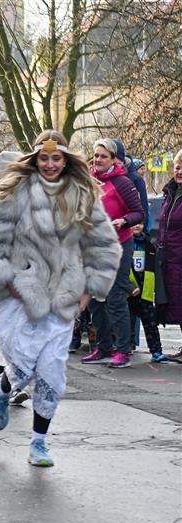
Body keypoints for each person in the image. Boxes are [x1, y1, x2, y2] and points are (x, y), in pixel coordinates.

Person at [0, 130, 121, 467]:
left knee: (52, 371)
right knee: (22, 365)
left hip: (62, 298)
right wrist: (8, 283)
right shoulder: (15, 195)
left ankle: (39, 443)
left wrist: (88, 292)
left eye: (57, 158)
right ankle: (4, 389)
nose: (51, 164)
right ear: (35, 160)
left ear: (65, 160)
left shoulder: (82, 196)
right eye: (44, 158)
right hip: (18, 298)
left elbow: (105, 246)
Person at [82, 139, 144, 368]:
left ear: (114, 160)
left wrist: (124, 221)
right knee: (95, 300)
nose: (97, 160)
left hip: (119, 244)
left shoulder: (123, 182)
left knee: (115, 297)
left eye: (103, 156)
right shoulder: (89, 180)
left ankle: (122, 351)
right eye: (96, 155)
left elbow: (138, 213)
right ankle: (103, 346)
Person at [127, 223, 168, 362]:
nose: (136, 226)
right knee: (127, 322)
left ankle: (156, 351)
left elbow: (155, 268)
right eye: (133, 224)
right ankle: (125, 348)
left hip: (146, 291)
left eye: (139, 223)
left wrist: (157, 291)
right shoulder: (124, 244)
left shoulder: (149, 244)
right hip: (129, 291)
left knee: (150, 323)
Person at [156, 149, 182, 362]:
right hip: (170, 258)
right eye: (177, 167)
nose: (179, 171)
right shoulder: (170, 193)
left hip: (179, 257)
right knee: (177, 302)